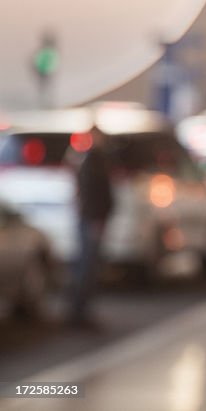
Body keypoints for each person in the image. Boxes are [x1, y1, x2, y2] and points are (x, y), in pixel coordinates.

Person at [67, 125, 113, 327]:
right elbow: (93, 193)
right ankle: (80, 313)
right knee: (87, 267)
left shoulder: (92, 159)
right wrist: (96, 218)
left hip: (92, 219)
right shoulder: (93, 160)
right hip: (92, 220)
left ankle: (81, 311)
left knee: (88, 266)